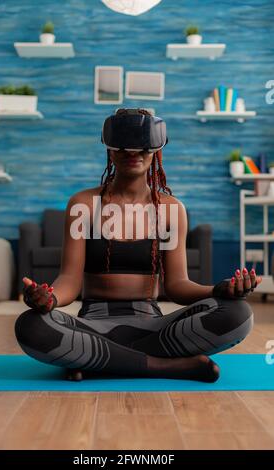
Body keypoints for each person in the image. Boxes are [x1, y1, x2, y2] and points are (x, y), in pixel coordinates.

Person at [15, 108, 262, 383]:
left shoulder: (171, 209)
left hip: (153, 327)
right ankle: (167, 366)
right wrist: (49, 300)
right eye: (124, 147)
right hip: (92, 325)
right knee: (31, 326)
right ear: (110, 150)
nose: (134, 153)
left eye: (143, 147)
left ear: (156, 151)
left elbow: (177, 285)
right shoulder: (82, 205)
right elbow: (69, 281)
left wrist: (220, 290)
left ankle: (97, 361)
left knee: (238, 313)